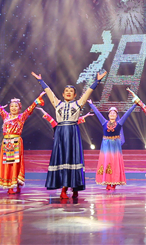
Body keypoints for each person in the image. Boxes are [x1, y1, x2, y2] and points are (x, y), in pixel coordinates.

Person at [32, 70, 106, 199]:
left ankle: (74, 186)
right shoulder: (58, 103)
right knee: (63, 159)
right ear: (62, 94)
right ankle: (64, 188)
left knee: (73, 159)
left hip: (72, 132)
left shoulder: (78, 103)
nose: (68, 92)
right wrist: (40, 81)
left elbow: (88, 92)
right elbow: (49, 92)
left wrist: (97, 81)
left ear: (75, 95)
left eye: (71, 91)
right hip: (61, 133)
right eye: (66, 91)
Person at [0, 87, 41, 194]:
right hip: (6, 142)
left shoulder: (21, 117)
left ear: (19, 108)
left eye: (16, 106)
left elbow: (29, 109)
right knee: (8, 164)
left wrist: (37, 100)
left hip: (16, 142)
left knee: (16, 163)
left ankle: (17, 184)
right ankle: (9, 186)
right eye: (12, 106)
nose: (13, 108)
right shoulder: (5, 116)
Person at [87, 94, 139, 190]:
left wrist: (134, 105)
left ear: (116, 115)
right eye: (110, 113)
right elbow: (98, 113)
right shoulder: (104, 122)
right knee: (106, 162)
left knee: (115, 163)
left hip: (115, 146)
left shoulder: (119, 123)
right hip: (106, 145)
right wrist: (91, 104)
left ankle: (114, 183)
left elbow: (127, 114)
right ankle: (107, 183)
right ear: (108, 115)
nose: (112, 114)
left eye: (114, 113)